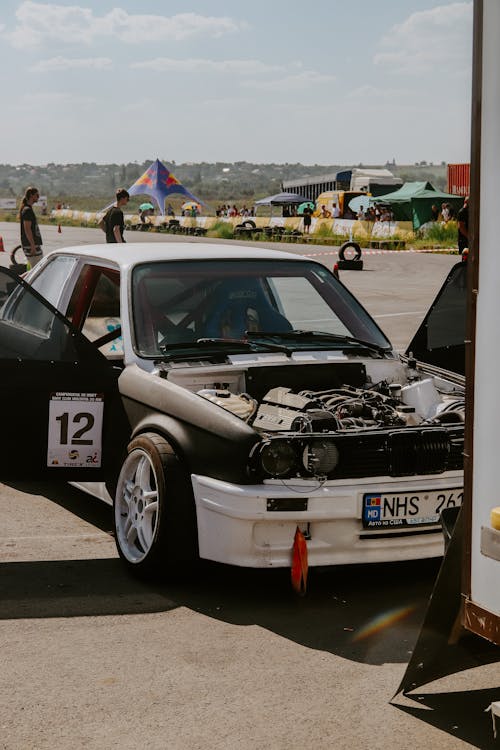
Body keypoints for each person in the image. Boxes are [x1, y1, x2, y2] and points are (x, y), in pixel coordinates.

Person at [19, 186, 43, 268]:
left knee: (35, 270)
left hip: (32, 244)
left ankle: (18, 280)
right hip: (31, 245)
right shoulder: (27, 210)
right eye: (37, 195)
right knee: (39, 268)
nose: (38, 197)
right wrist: (32, 245)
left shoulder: (28, 209)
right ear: (31, 195)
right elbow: (27, 229)